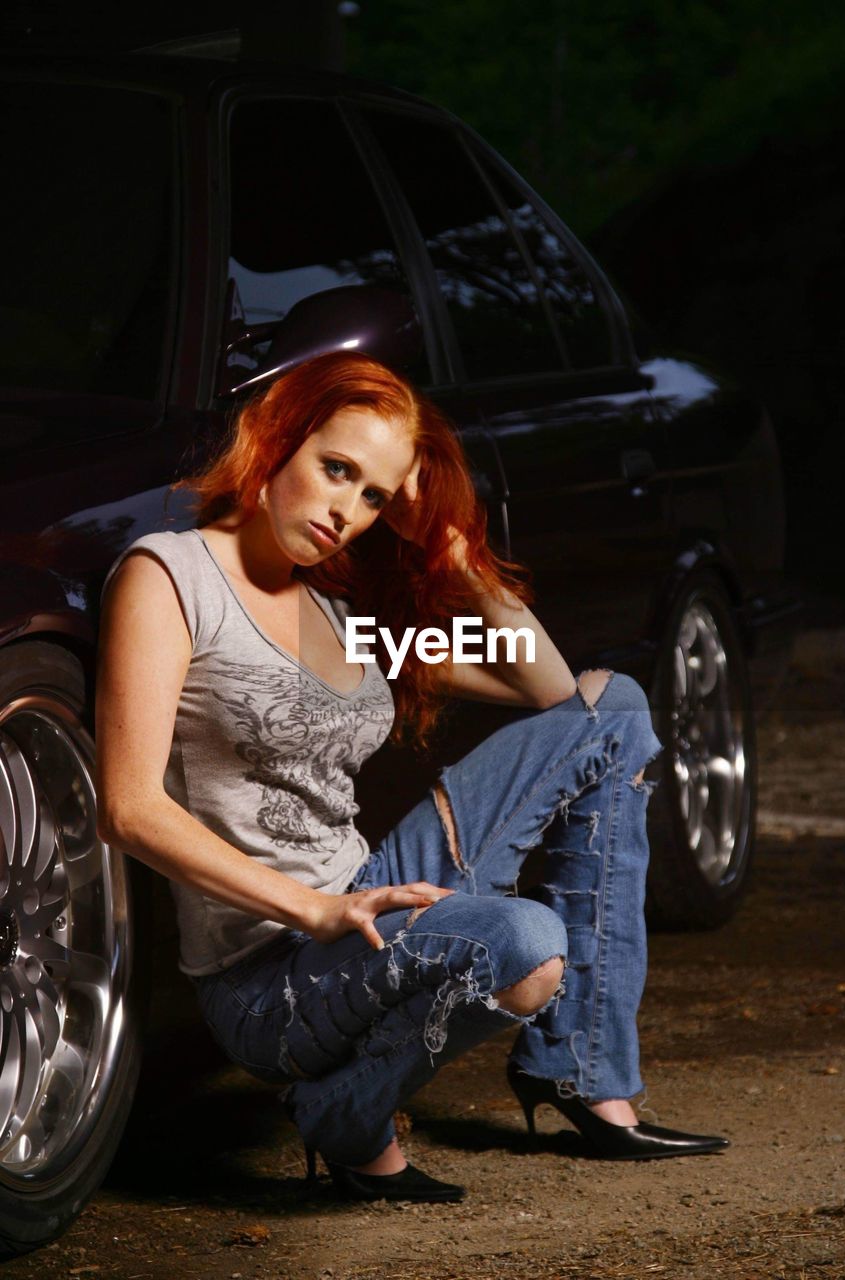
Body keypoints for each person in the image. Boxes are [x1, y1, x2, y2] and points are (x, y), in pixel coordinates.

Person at [95, 350, 728, 1204]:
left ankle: (583, 1070)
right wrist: (318, 909)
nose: (344, 512)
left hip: (370, 896)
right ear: (277, 440)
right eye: (336, 470)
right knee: (527, 946)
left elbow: (546, 690)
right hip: (272, 968)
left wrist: (453, 549)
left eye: (374, 498)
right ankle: (344, 1114)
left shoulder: (339, 620)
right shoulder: (170, 578)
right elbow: (129, 808)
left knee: (611, 707)